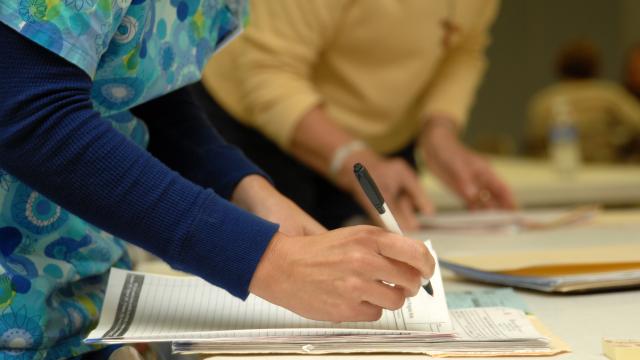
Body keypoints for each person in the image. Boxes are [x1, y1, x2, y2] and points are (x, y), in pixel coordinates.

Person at [0, 0, 434, 358]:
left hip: (76, 314)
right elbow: (29, 111)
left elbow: (139, 85)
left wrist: (248, 189)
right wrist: (269, 260)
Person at [193, 0, 515, 232]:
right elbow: (270, 72)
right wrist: (353, 161)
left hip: (375, 154)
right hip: (252, 132)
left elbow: (464, 46)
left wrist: (438, 132)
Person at [527, 40, 640, 162]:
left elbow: (534, 140)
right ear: (595, 66)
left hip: (558, 166)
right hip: (603, 167)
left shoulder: (544, 100)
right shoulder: (609, 95)